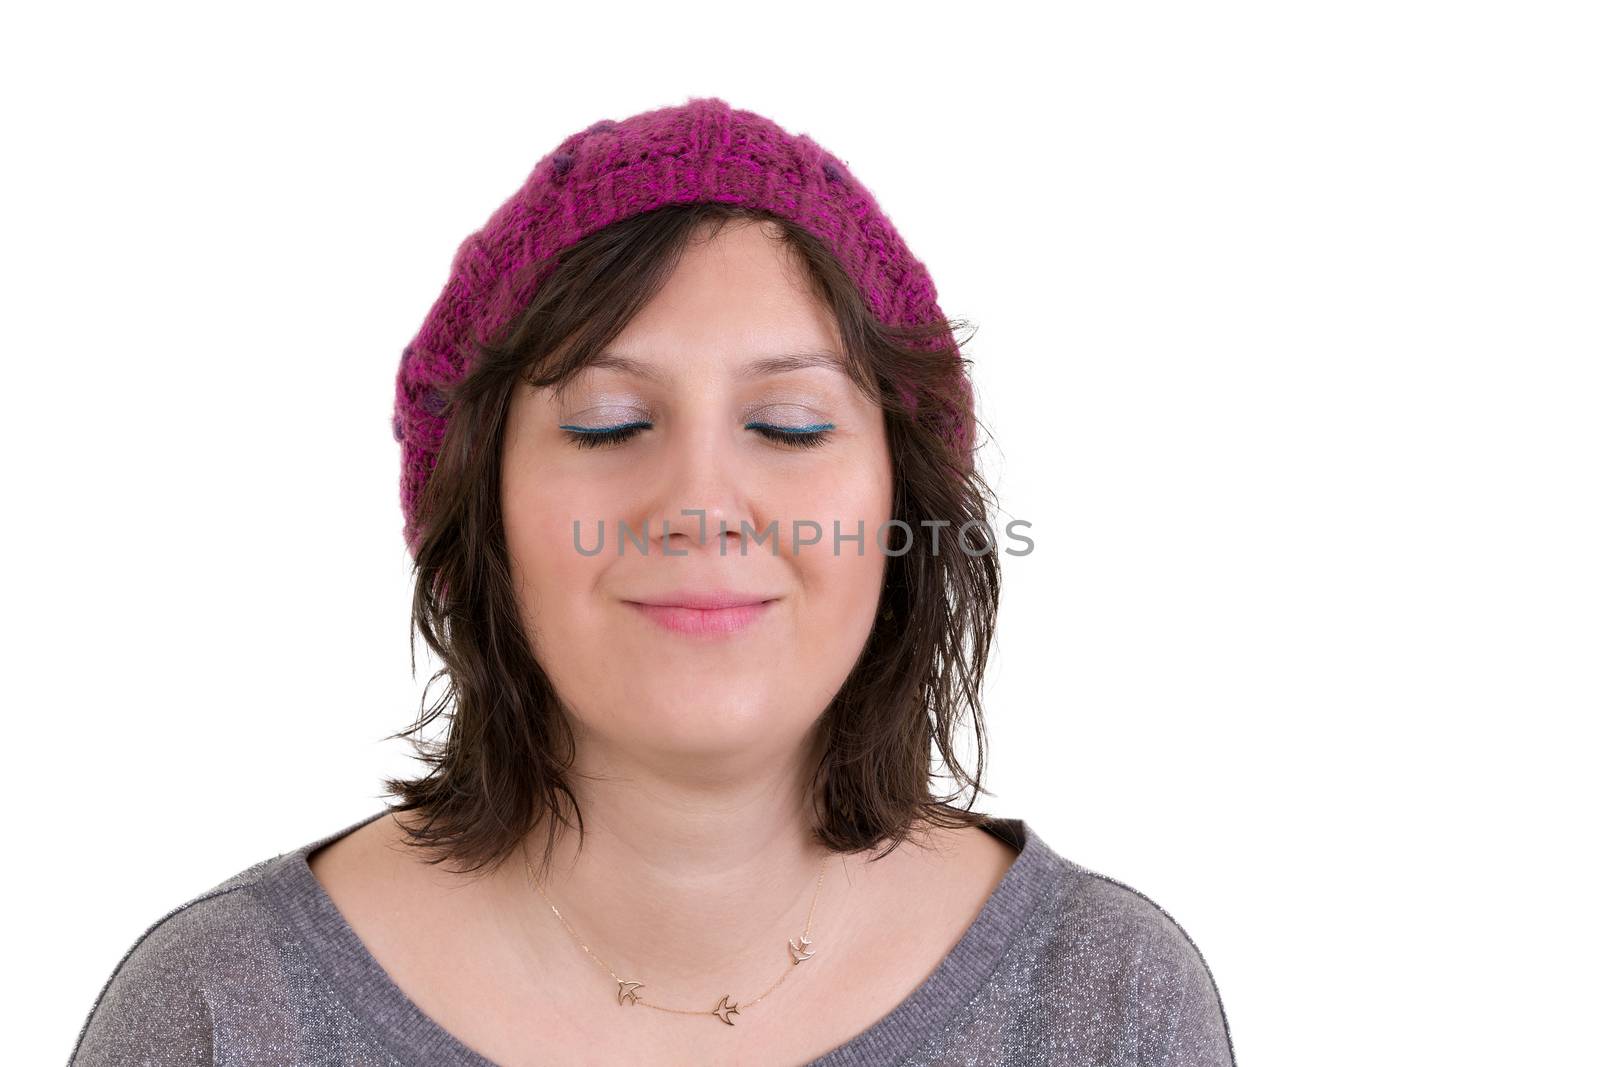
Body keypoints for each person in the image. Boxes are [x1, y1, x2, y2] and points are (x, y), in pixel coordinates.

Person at [70, 96, 1235, 1067]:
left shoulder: (1108, 1001)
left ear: (902, 505)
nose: (697, 502)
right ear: (485, 513)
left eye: (785, 426)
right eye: (608, 422)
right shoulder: (223, 1012)